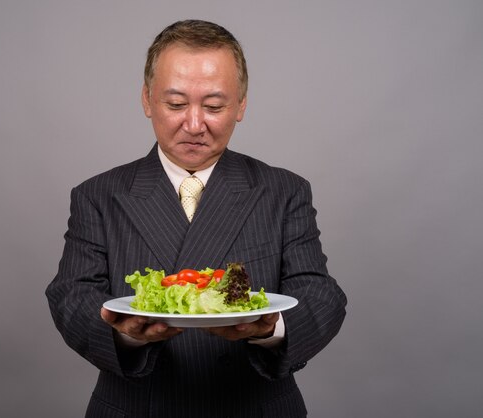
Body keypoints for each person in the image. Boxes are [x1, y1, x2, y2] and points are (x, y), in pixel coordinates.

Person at [46, 19, 346, 418]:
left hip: (253, 406)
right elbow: (71, 296)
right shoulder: (99, 195)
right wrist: (125, 335)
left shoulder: (283, 190)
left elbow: (320, 295)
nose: (193, 124)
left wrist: (270, 329)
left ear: (241, 105)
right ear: (147, 99)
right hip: (138, 406)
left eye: (214, 106)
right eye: (175, 104)